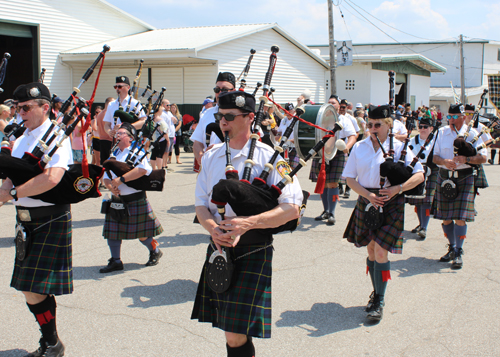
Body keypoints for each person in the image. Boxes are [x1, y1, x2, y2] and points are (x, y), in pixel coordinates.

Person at [191, 91, 303, 356]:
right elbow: (200, 206)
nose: (223, 122)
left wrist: (248, 223)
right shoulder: (211, 157)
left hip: (254, 248)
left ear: (250, 118)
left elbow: (292, 209)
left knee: (234, 332)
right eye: (220, 116)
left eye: (230, 117)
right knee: (231, 331)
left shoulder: (271, 157)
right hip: (220, 248)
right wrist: (213, 228)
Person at [0, 82, 74, 356]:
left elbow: (52, 178)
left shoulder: (57, 136)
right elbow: (12, 171)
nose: (21, 113)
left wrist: (12, 193)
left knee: (31, 287)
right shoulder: (21, 137)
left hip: (49, 218)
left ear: (45, 107)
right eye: (18, 108)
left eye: (27, 108)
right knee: (30, 289)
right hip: (25, 220)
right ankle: (51, 341)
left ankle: (52, 343)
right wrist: (5, 190)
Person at [343, 104, 424, 321]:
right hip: (367, 200)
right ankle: (375, 291)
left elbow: (419, 175)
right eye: (369, 124)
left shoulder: (400, 148)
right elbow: (350, 179)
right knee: (370, 250)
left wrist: (398, 188)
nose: (372, 128)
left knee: (380, 252)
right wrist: (368, 196)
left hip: (391, 202)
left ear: (388, 125)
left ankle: (379, 298)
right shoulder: (359, 147)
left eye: (377, 125)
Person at [100, 123, 164, 273]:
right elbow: (106, 176)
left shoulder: (137, 151)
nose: (118, 134)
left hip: (135, 198)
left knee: (141, 234)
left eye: (121, 133)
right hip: (117, 199)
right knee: (113, 232)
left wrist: (121, 180)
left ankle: (155, 250)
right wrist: (111, 187)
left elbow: (143, 170)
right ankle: (116, 261)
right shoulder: (113, 153)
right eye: (117, 132)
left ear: (130, 137)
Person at [432, 103, 487, 269]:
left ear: (464, 117)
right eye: (449, 116)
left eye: (455, 117)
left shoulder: (472, 133)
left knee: (460, 217)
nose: (451, 120)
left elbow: (483, 158)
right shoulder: (441, 132)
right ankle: (451, 246)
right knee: (446, 218)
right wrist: (444, 162)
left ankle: (458, 250)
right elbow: (434, 157)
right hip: (445, 177)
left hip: (465, 177)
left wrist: (467, 160)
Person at [310, 95, 356, 225]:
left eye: (333, 103)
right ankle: (325, 211)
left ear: (338, 105)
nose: (331, 104)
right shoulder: (320, 118)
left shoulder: (344, 120)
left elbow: (352, 136)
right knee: (323, 184)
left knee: (333, 184)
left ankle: (332, 213)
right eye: (329, 102)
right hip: (322, 152)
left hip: (338, 153)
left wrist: (347, 147)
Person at [191, 72, 236, 168]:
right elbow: (197, 142)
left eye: (224, 89)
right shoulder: (206, 114)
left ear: (233, 91)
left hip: (233, 166)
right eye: (217, 90)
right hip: (210, 167)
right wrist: (200, 156)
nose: (220, 93)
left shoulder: (241, 115)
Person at [406, 115, 438, 239]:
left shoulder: (436, 140)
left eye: (425, 127)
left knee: (427, 201)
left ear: (431, 128)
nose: (423, 129)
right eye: (421, 127)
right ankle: (421, 224)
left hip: (432, 171)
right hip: (416, 171)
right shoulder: (413, 140)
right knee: (418, 200)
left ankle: (424, 227)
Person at [464, 104, 491, 196]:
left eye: (471, 114)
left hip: (475, 159)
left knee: (472, 188)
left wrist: (478, 148)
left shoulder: (480, 127)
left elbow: (489, 141)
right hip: (460, 159)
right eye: (467, 113)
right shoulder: (460, 126)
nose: (469, 116)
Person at [337, 99, 360, 198]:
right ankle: (340, 187)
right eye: (340, 107)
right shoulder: (335, 117)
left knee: (348, 169)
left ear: (347, 108)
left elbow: (357, 132)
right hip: (337, 146)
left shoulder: (351, 119)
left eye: (343, 107)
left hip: (348, 146)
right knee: (339, 169)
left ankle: (347, 189)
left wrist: (350, 144)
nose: (341, 109)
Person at [276, 102, 299, 169]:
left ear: (293, 111)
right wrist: (277, 135)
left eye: (290, 111)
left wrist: (295, 140)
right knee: (283, 167)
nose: (288, 113)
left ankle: (293, 179)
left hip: (294, 146)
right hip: (284, 146)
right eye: (286, 112)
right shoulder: (283, 120)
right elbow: (280, 131)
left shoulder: (297, 120)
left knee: (293, 168)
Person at [150, 103, 170, 170]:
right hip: (161, 140)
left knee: (153, 154)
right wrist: (168, 140)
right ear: (158, 111)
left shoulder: (151, 119)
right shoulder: (160, 120)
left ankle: (153, 169)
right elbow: (164, 131)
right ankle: (159, 169)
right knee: (159, 155)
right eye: (161, 110)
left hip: (153, 139)